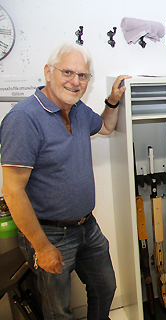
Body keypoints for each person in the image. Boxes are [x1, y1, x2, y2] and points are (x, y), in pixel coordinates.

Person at [0, 42, 131, 320]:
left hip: (87, 226)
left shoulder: (79, 110)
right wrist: (42, 247)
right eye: (68, 72)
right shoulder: (23, 119)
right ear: (48, 72)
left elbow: (106, 126)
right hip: (49, 234)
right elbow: (12, 192)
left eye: (83, 76)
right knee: (58, 310)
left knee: (105, 287)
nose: (75, 82)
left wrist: (113, 99)